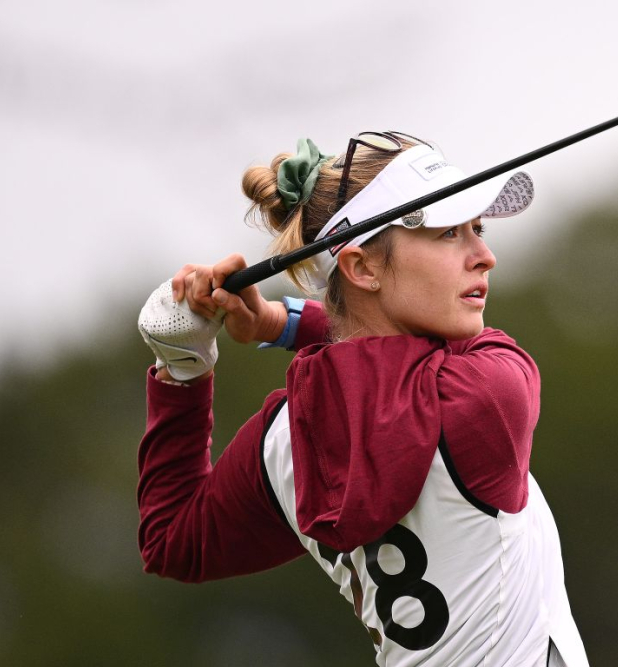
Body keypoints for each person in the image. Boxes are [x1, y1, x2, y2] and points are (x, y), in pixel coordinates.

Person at [137, 132, 589, 666]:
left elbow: (172, 538)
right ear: (362, 269)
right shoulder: (487, 391)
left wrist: (183, 368)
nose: (484, 256)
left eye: (478, 229)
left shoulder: (281, 437)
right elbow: (399, 360)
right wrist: (279, 322)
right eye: (449, 234)